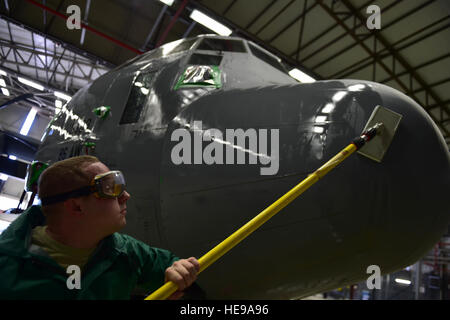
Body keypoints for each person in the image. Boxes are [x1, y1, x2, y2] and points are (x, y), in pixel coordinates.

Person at [0, 155, 199, 299]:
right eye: (110, 188)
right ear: (77, 206)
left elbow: (176, 272)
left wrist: (178, 275)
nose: (125, 196)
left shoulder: (125, 251)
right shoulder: (7, 267)